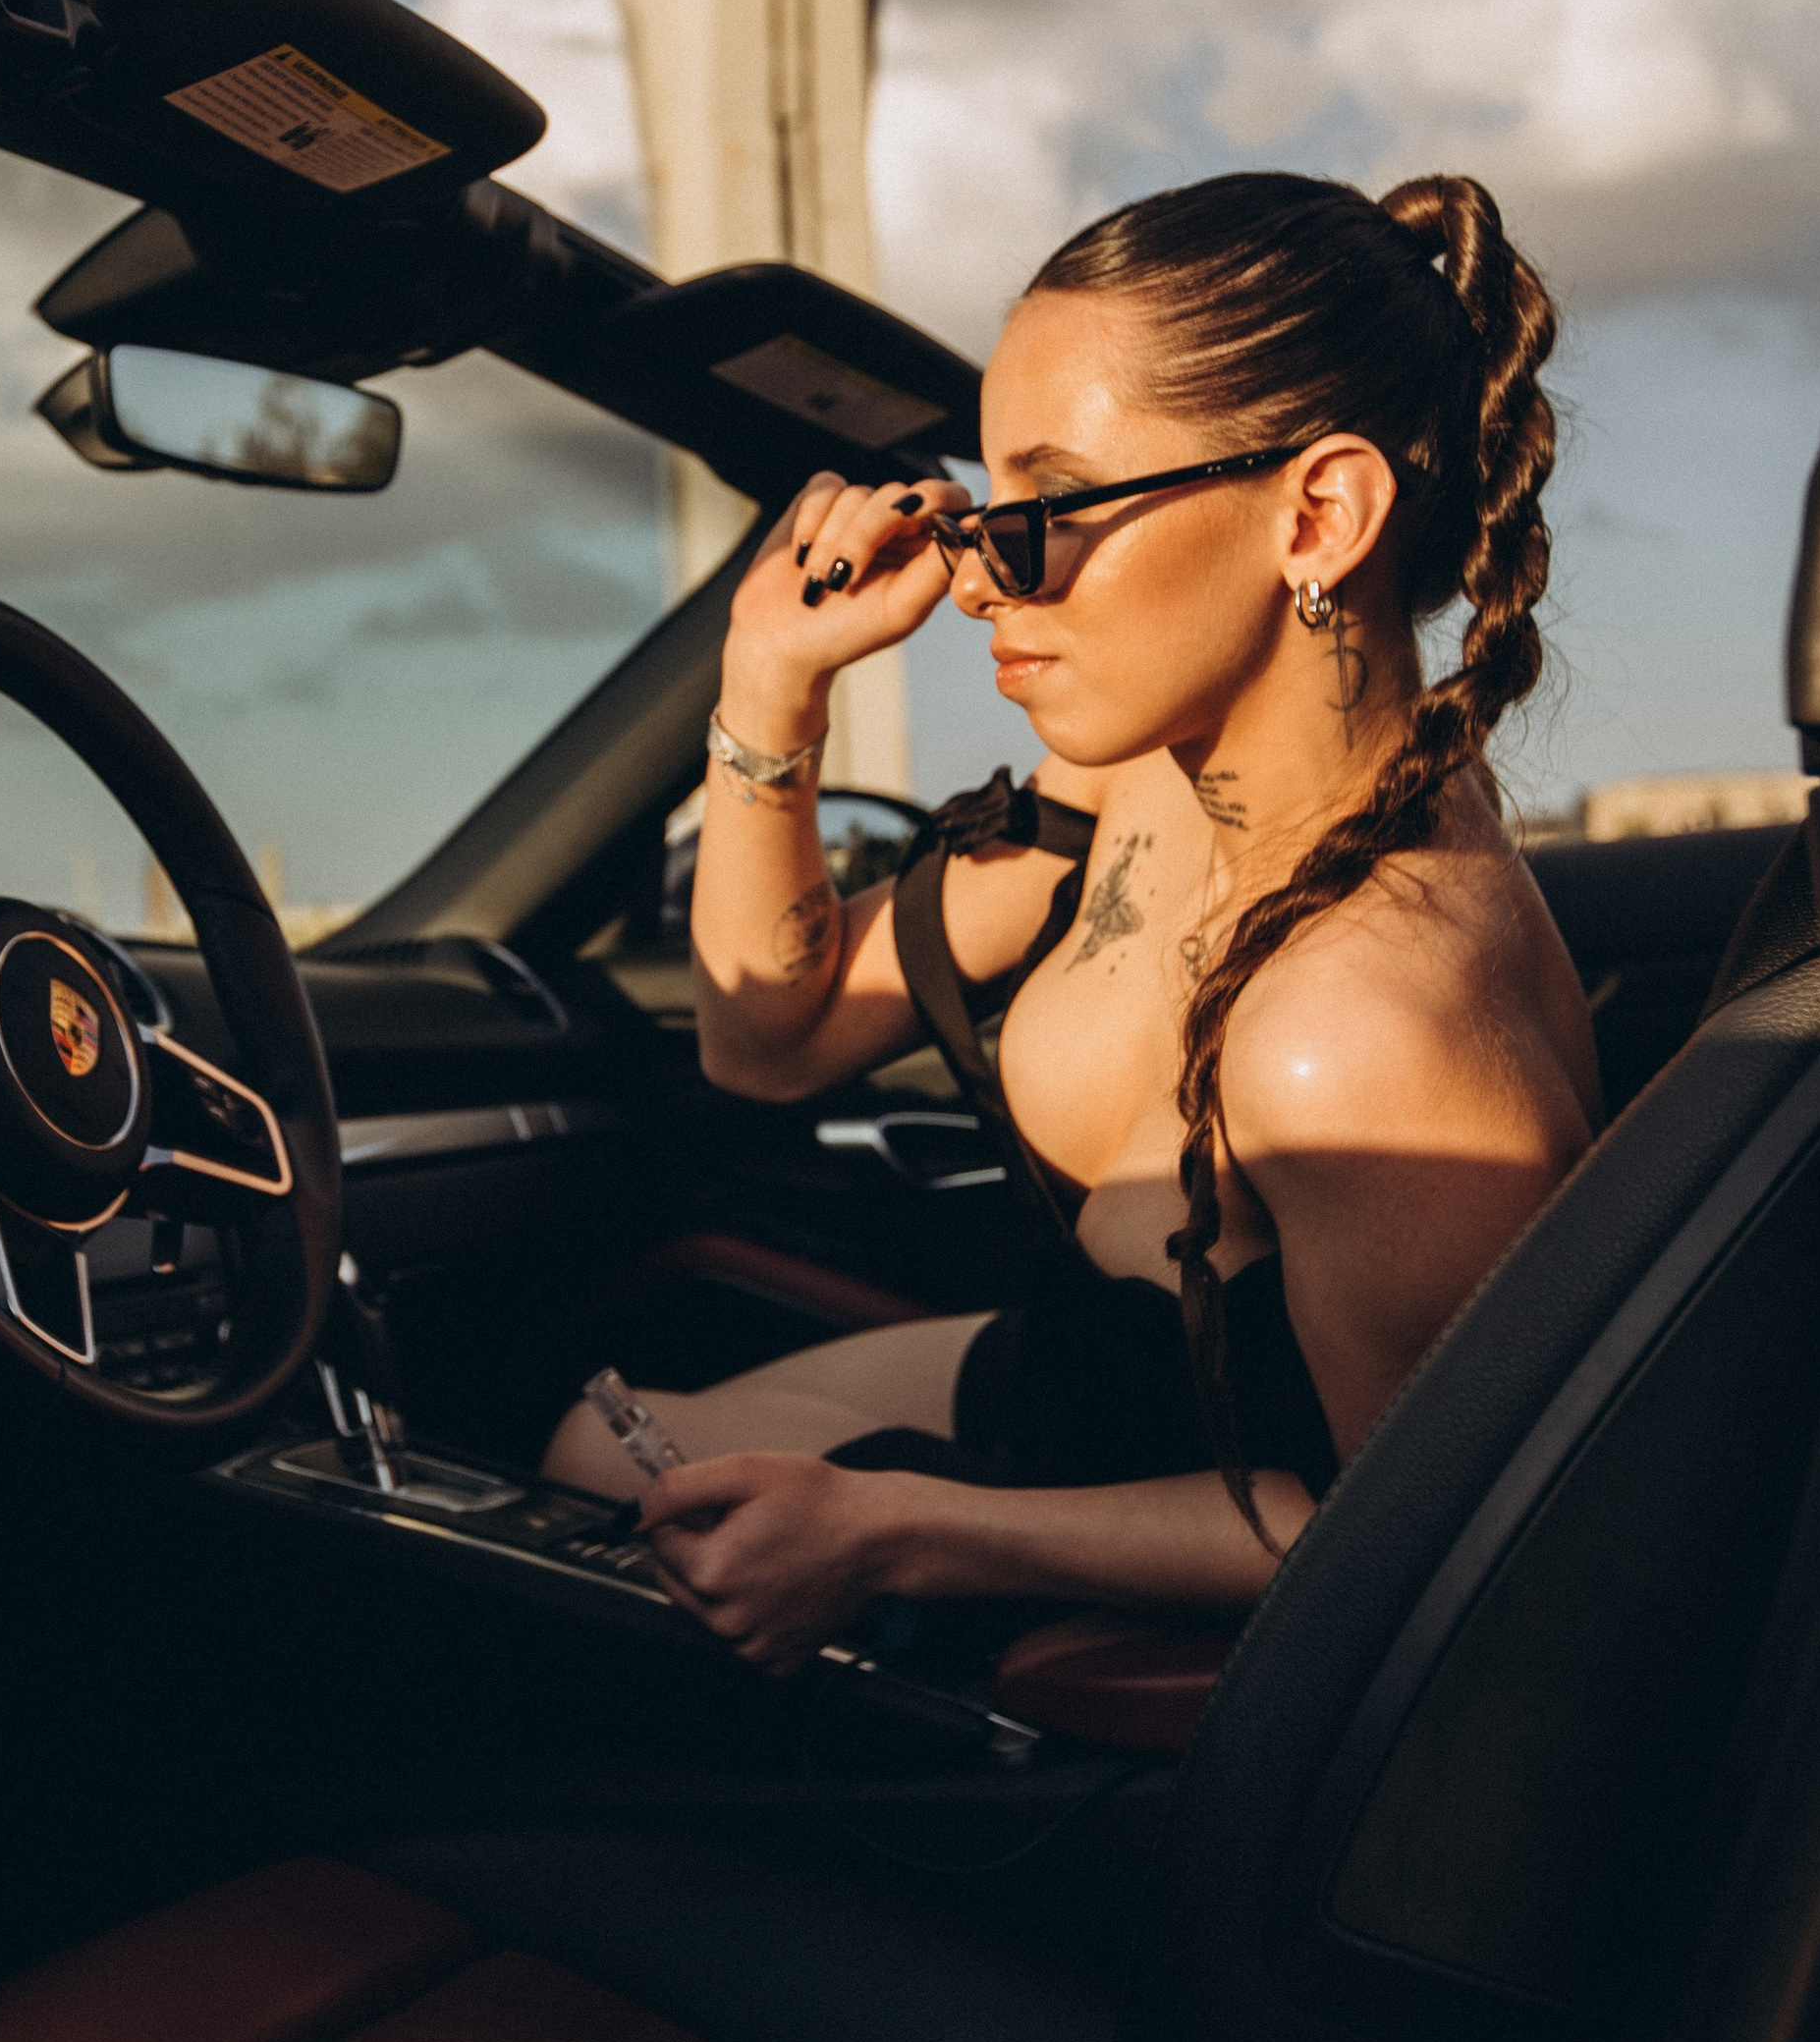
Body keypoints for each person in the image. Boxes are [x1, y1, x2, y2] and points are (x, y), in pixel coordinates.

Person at [544, 170, 1601, 1672]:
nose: (980, 578)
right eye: (985, 510)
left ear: (1319, 514)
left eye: (1043, 514)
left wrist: (905, 1528)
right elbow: (769, 1041)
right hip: (1076, 1381)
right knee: (591, 1444)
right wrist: (769, 691)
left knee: (607, 1534)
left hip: (1198, 1540)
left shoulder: (1359, 1032)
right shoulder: (1150, 781)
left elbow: (1431, 1544)